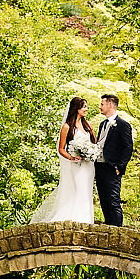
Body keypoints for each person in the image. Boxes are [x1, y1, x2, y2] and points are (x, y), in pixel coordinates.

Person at [30, 96, 96, 224]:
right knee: (78, 189)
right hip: (76, 165)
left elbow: (95, 143)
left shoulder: (88, 126)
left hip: (88, 165)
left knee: (87, 191)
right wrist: (72, 157)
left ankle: (87, 220)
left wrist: (91, 152)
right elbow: (61, 149)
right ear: (77, 109)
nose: (86, 109)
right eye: (84, 107)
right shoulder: (67, 127)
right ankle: (76, 219)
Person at [93, 94, 133, 226]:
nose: (100, 107)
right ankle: (108, 228)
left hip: (112, 168)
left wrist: (119, 167)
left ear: (110, 105)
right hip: (99, 167)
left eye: (102, 104)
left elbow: (128, 147)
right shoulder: (102, 124)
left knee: (113, 200)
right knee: (103, 199)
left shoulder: (123, 125)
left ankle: (117, 230)